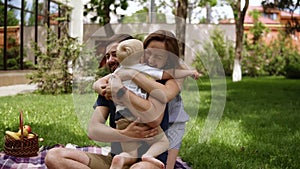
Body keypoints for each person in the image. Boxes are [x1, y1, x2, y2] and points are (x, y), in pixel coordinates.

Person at [45, 34, 169, 169]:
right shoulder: (109, 88)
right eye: (107, 56)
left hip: (149, 161)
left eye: (115, 54)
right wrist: (125, 134)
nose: (110, 60)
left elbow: (153, 120)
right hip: (117, 160)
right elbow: (94, 130)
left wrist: (121, 92)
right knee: (54, 156)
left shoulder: (152, 83)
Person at [94, 30, 197, 169]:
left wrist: (131, 75)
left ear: (168, 59)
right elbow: (100, 82)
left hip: (174, 121)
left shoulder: (171, 75)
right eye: (148, 53)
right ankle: (140, 157)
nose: (151, 60)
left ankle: (134, 159)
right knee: (138, 150)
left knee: (165, 164)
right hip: (140, 115)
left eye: (159, 56)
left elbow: (164, 95)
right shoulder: (141, 67)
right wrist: (103, 89)